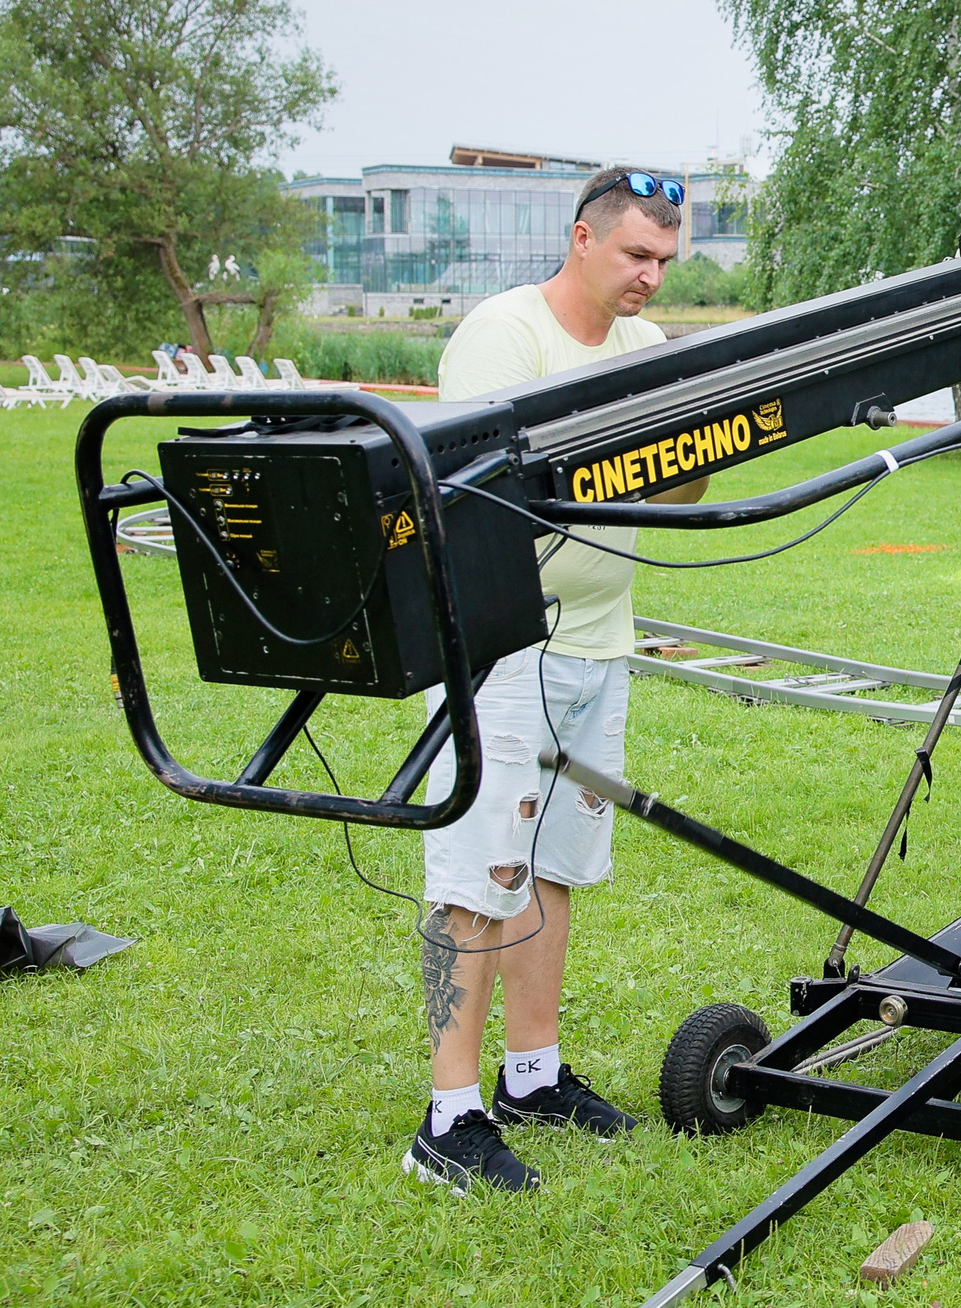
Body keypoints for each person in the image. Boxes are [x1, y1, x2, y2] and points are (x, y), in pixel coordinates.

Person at [402, 167, 707, 1195]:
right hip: (499, 647)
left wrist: (693, 427)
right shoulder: (505, 335)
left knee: (557, 870)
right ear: (581, 239)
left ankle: (531, 1074)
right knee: (476, 881)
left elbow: (681, 476)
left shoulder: (647, 350)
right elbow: (491, 488)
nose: (650, 278)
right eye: (635, 256)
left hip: (599, 642)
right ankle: (447, 1117)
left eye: (665, 261)